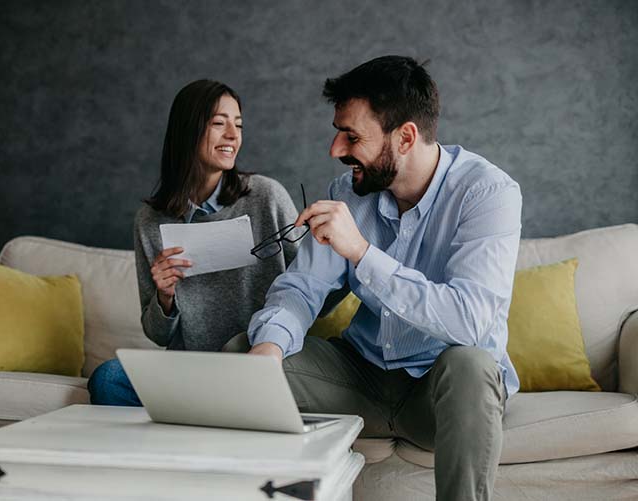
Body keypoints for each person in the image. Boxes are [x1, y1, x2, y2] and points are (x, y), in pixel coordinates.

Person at [246, 56, 522, 501]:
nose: (336, 150)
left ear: (406, 137)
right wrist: (268, 348)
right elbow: (304, 288)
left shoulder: (488, 194)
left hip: (442, 394)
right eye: (338, 132)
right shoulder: (348, 192)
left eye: (351, 136)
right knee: (243, 354)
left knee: (472, 365)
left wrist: (361, 252)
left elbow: (470, 322)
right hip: (363, 380)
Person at [88, 79, 300, 406]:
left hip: (257, 361)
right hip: (192, 366)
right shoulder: (150, 220)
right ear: (188, 131)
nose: (233, 134)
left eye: (238, 124)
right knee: (109, 378)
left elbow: (312, 288)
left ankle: (206, 416)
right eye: (219, 123)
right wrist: (164, 297)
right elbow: (158, 335)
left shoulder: (265, 197)